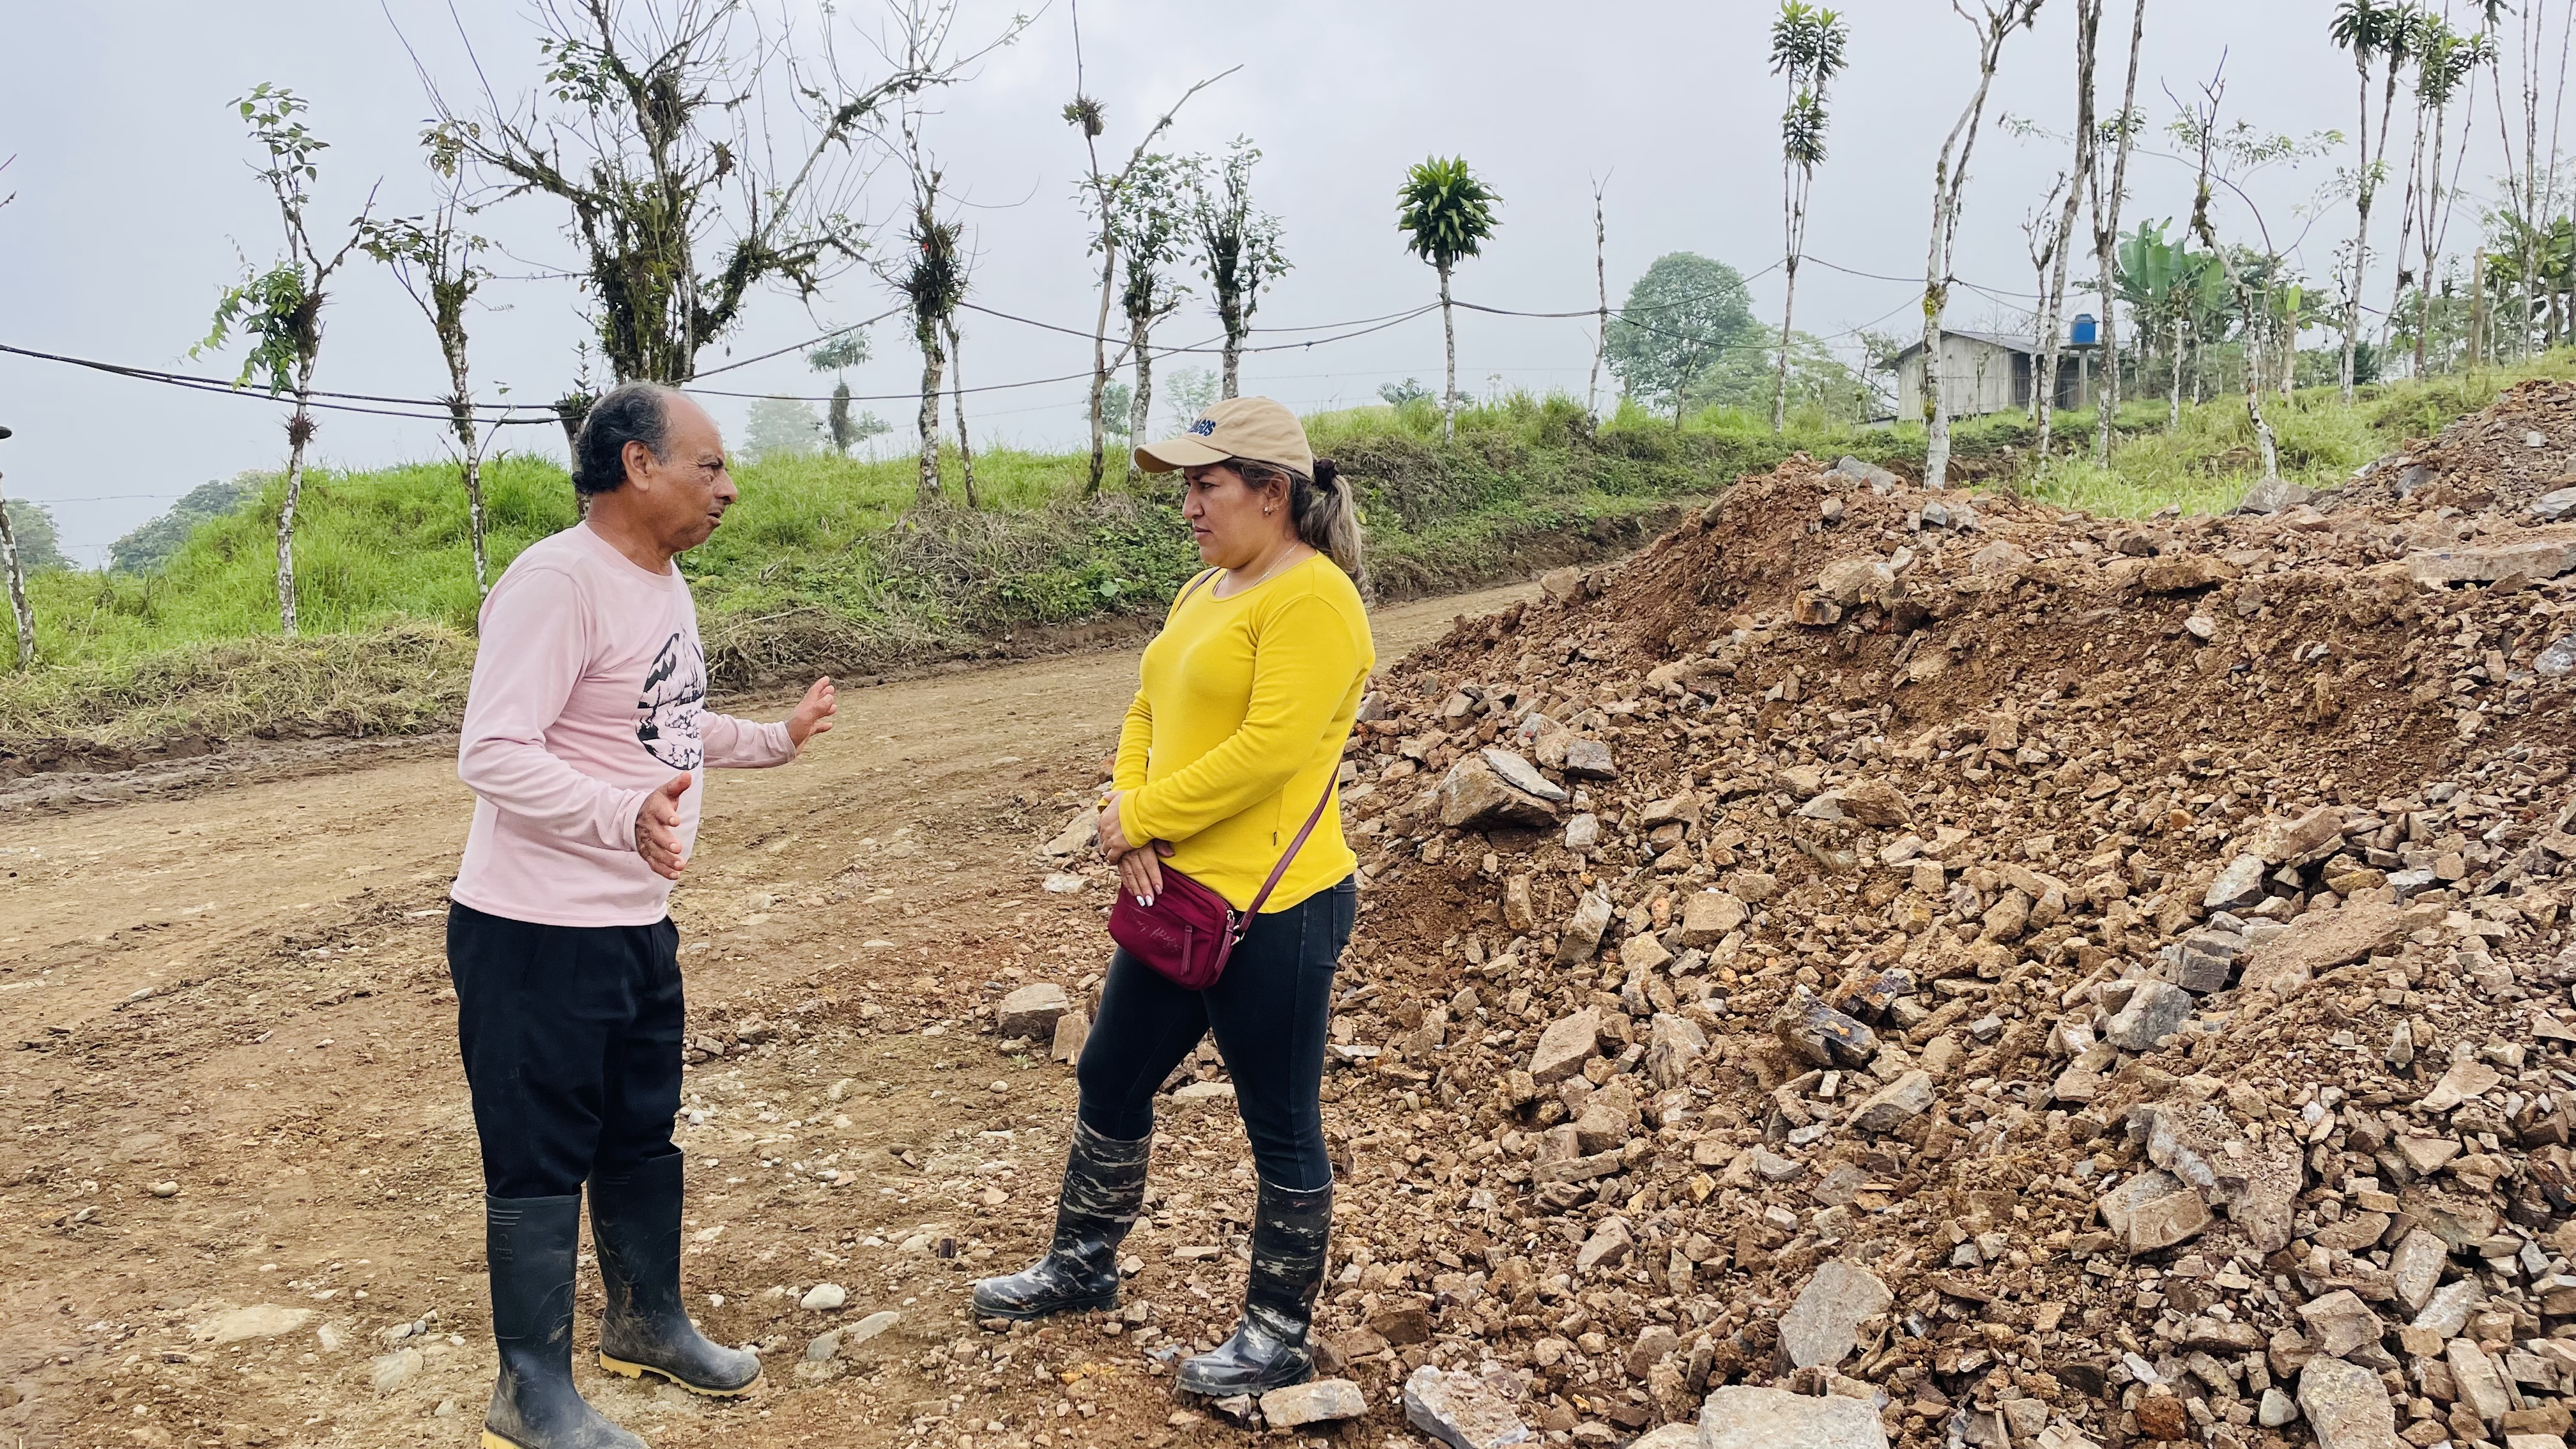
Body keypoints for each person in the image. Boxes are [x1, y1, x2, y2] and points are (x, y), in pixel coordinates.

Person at [448, 381, 837, 1449]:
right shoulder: (557, 581)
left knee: (639, 1130)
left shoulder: (661, 584)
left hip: (633, 923)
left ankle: (645, 1322)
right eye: (709, 466)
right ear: (638, 465)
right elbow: (492, 750)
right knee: (538, 1156)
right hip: (533, 933)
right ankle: (530, 1391)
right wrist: (619, 815)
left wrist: (774, 740)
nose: (729, 488)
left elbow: (664, 720)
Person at [972, 396, 1375, 1397]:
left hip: (1276, 911)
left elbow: (1270, 750)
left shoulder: (1315, 600)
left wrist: (1143, 816)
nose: (1188, 506)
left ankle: (1277, 1335)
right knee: (1111, 1074)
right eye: (1186, 488)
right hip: (1181, 896)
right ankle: (1082, 1266)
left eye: (1206, 485)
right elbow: (1148, 704)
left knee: (1279, 1121)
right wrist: (1130, 811)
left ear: (1272, 492)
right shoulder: (1208, 589)